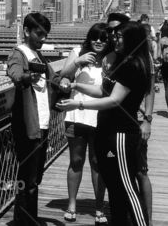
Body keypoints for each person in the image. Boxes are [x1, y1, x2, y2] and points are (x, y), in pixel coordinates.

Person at [57, 20, 155, 226]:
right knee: (114, 185)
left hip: (121, 133)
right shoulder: (120, 62)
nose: (114, 39)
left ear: (131, 40)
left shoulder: (132, 66)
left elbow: (114, 100)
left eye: (119, 36)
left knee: (126, 186)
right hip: (106, 130)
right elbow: (103, 91)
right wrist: (76, 85)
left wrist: (78, 104)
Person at [6, 12, 58, 226]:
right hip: (28, 125)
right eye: (39, 34)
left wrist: (66, 82)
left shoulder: (39, 56)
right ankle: (24, 221)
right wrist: (27, 77)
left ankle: (29, 220)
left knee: (34, 178)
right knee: (28, 178)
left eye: (45, 34)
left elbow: (54, 78)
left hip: (41, 124)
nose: (43, 38)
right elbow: (15, 73)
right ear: (26, 32)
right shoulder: (20, 53)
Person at [57, 23, 108, 224]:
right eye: (95, 37)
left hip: (101, 118)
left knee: (98, 163)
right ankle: (71, 205)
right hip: (76, 116)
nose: (99, 42)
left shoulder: (110, 58)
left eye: (103, 39)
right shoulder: (78, 52)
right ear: (89, 38)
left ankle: (99, 207)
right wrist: (78, 61)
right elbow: (63, 77)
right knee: (76, 161)